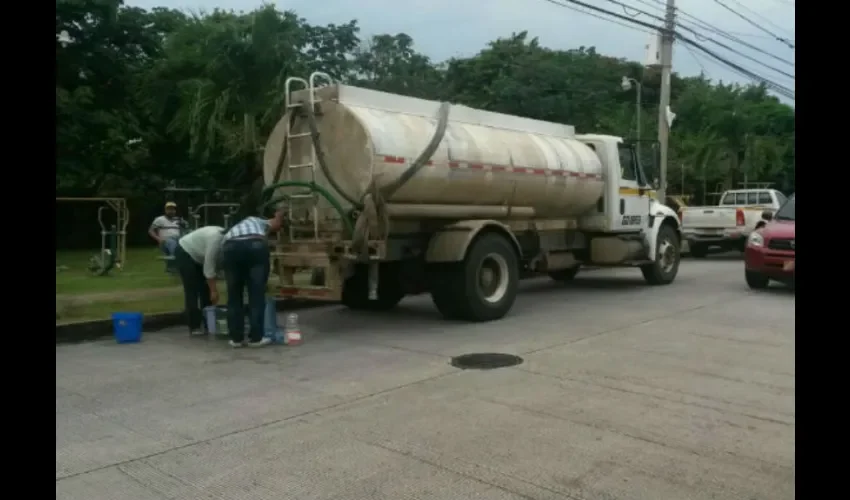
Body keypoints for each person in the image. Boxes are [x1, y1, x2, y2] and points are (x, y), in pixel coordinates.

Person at [221, 210, 284, 348]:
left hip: (230, 247)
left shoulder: (234, 228)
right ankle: (256, 338)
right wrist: (279, 215)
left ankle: (235, 339)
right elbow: (276, 225)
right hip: (255, 245)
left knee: (234, 295)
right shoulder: (256, 220)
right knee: (256, 293)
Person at [174, 225, 224, 335]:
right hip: (185, 251)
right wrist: (214, 291)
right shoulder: (215, 240)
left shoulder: (228, 242)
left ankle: (208, 323)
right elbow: (209, 267)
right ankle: (194, 326)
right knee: (192, 289)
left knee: (205, 289)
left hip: (199, 255)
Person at [149, 202, 188, 273]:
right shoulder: (159, 219)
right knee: (172, 242)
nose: (171, 211)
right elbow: (151, 231)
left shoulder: (179, 219)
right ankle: (176, 257)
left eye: (173, 209)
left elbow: (186, 229)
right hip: (165, 240)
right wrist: (158, 239)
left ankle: (175, 265)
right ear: (165, 210)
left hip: (178, 239)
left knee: (183, 243)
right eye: (169, 209)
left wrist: (183, 225)